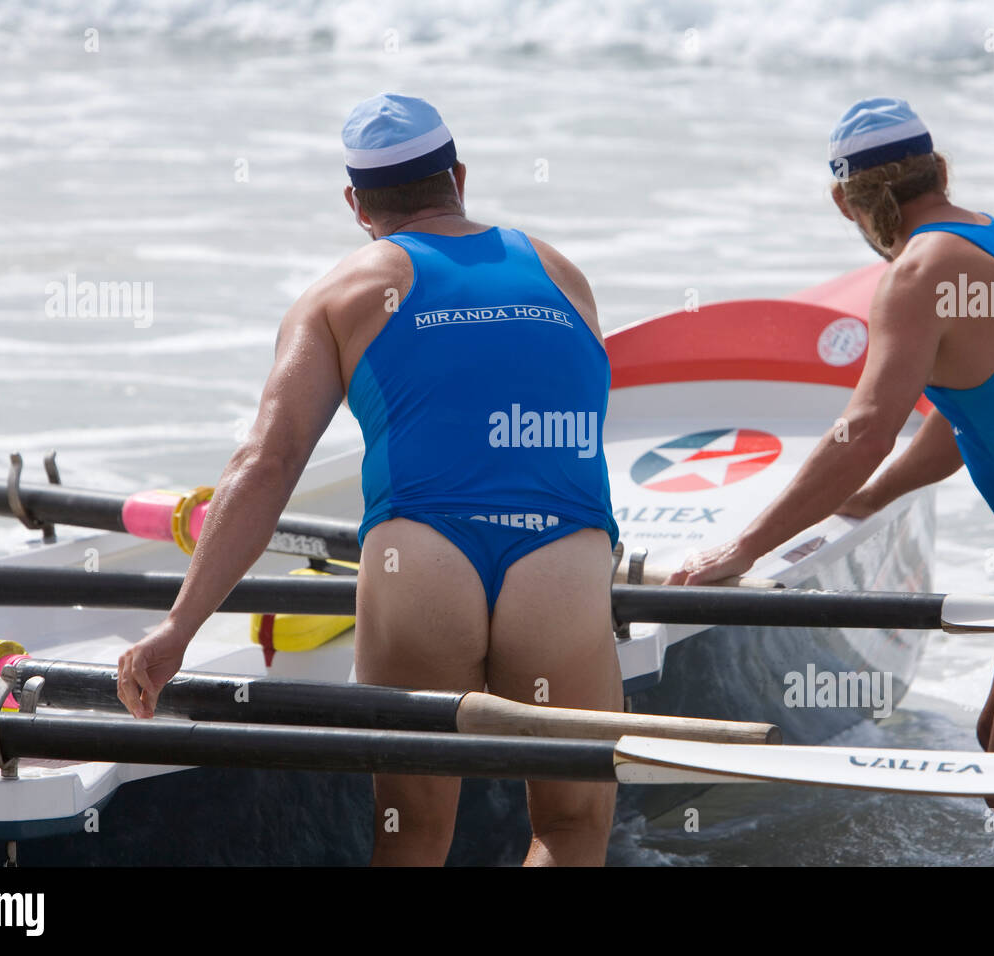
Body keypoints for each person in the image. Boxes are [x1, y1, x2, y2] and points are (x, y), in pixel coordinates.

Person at [667, 96, 994, 866]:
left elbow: (865, 429)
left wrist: (741, 549)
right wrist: (871, 498)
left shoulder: (917, 272)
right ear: (939, 170)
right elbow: (959, 421)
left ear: (844, 201)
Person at [117, 93, 623, 866]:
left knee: (413, 831)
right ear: (458, 174)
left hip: (421, 562)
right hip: (561, 562)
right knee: (570, 825)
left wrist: (177, 628)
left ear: (356, 203)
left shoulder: (338, 295)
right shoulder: (559, 270)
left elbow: (267, 463)